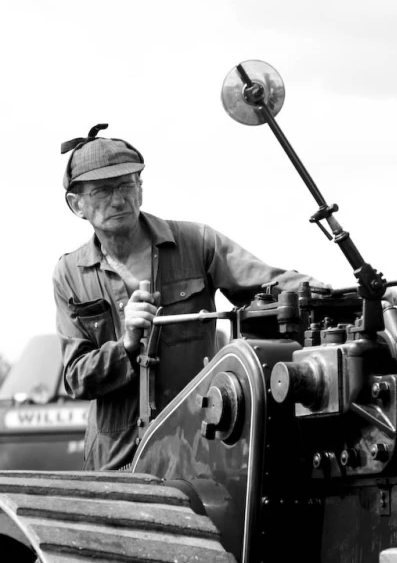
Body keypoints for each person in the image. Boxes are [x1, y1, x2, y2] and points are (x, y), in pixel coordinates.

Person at [54, 124, 325, 471]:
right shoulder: (69, 274)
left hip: (197, 450)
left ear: (141, 188)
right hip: (117, 463)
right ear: (77, 205)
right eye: (103, 191)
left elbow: (270, 282)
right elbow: (76, 378)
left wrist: (343, 295)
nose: (118, 199)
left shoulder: (196, 243)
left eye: (126, 185)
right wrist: (126, 345)